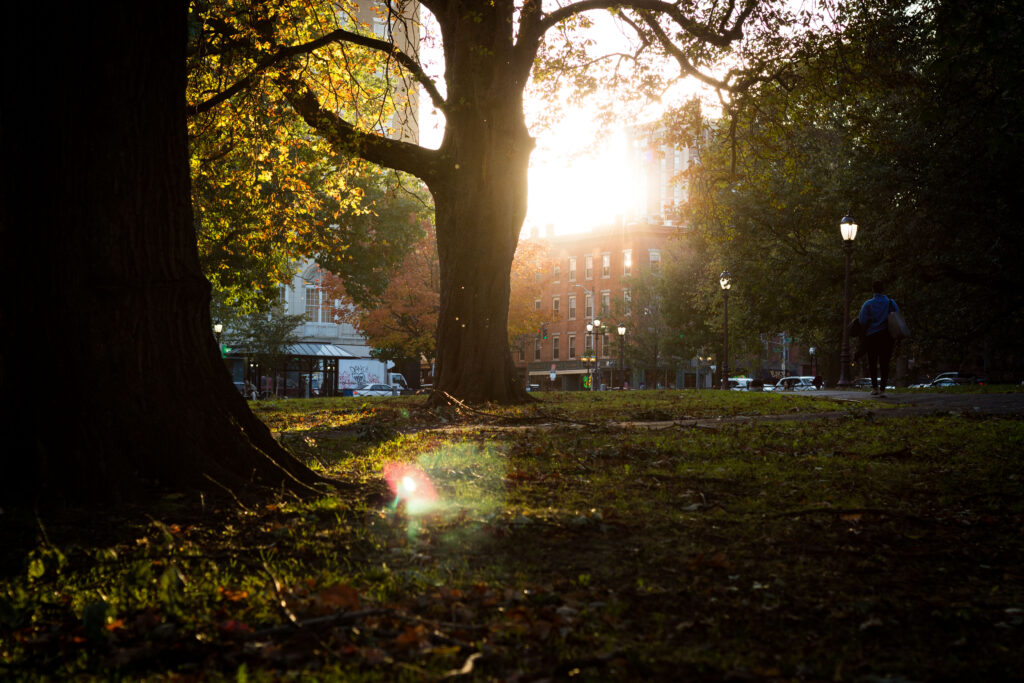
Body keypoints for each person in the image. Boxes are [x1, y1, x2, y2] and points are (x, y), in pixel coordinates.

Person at [857, 280, 898, 397]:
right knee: (885, 362)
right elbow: (896, 315)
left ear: (873, 290)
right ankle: (883, 389)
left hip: (872, 336)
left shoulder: (868, 304)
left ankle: (875, 387)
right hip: (887, 336)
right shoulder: (891, 303)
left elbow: (862, 320)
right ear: (883, 289)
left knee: (872, 362)